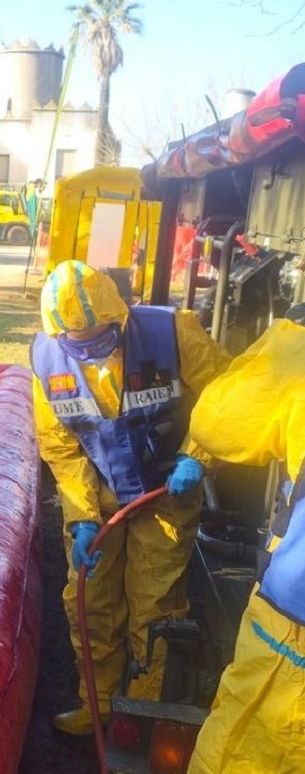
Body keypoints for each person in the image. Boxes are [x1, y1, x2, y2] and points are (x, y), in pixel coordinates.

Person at [30, 260, 231, 736]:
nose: (92, 350)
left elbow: (227, 392)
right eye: (78, 343)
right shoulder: (45, 358)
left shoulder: (172, 331)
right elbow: (59, 445)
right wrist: (80, 517)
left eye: (99, 337)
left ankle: (139, 719)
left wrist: (197, 455)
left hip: (165, 493)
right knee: (90, 604)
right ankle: (95, 708)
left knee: (155, 607)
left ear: (116, 314)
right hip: (98, 501)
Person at [186, 318, 305, 773]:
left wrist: (283, 341)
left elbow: (216, 422)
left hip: (295, 627)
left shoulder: (297, 356)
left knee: (244, 751)